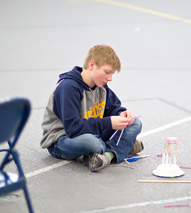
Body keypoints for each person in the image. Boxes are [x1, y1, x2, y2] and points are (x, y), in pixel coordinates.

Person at [40, 44, 143, 172]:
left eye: (112, 74)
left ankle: (106, 156)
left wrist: (123, 113)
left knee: (135, 123)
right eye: (107, 72)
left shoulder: (100, 85)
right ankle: (122, 147)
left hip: (91, 131)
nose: (110, 78)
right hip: (62, 139)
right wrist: (109, 122)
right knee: (92, 143)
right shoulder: (69, 87)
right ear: (92, 65)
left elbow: (113, 108)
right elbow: (72, 128)